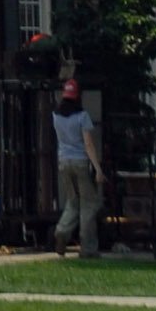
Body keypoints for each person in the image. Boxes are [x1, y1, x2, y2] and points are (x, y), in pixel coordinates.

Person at [52, 82, 102, 258]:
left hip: (63, 162)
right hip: (80, 162)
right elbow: (88, 144)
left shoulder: (55, 116)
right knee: (88, 204)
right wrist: (97, 169)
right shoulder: (83, 116)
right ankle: (88, 248)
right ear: (78, 97)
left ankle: (61, 231)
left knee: (73, 202)